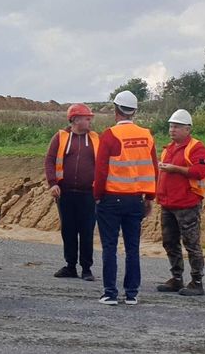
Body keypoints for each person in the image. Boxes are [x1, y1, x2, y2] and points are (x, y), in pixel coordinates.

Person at [93, 90, 158, 306]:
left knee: (110, 247)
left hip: (111, 199)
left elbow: (101, 170)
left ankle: (110, 293)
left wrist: (97, 196)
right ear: (134, 111)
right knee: (133, 248)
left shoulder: (110, 135)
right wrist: (149, 197)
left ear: (116, 110)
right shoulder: (147, 135)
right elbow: (152, 170)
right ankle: (131, 294)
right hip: (135, 200)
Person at [156, 109, 205, 296]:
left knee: (192, 244)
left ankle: (197, 281)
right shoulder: (169, 148)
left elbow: (200, 171)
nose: (172, 130)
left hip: (187, 203)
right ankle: (177, 278)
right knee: (170, 242)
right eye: (171, 126)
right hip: (168, 203)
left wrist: (175, 169)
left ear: (188, 129)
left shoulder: (196, 147)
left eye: (177, 127)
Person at [44, 103, 99, 281]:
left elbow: (104, 165)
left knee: (86, 231)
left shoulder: (96, 139)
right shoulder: (60, 138)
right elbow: (50, 160)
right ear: (75, 119)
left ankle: (86, 268)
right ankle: (70, 266)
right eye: (86, 117)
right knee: (68, 230)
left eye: (90, 117)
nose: (90, 120)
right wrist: (52, 183)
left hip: (88, 194)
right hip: (65, 193)